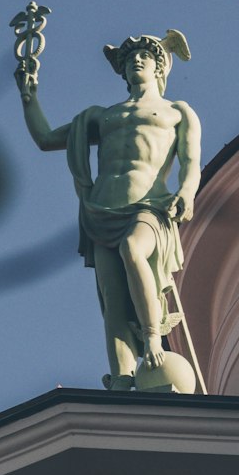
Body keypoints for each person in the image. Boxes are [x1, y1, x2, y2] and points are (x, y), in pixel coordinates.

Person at [17, 30, 200, 389]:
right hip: (100, 209)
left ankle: (151, 338)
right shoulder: (103, 116)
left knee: (135, 250)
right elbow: (46, 138)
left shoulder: (176, 112)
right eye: (130, 59)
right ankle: (120, 377)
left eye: (144, 57)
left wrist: (188, 192)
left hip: (149, 205)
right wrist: (29, 95)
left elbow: (191, 162)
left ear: (160, 67)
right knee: (112, 297)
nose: (136, 62)